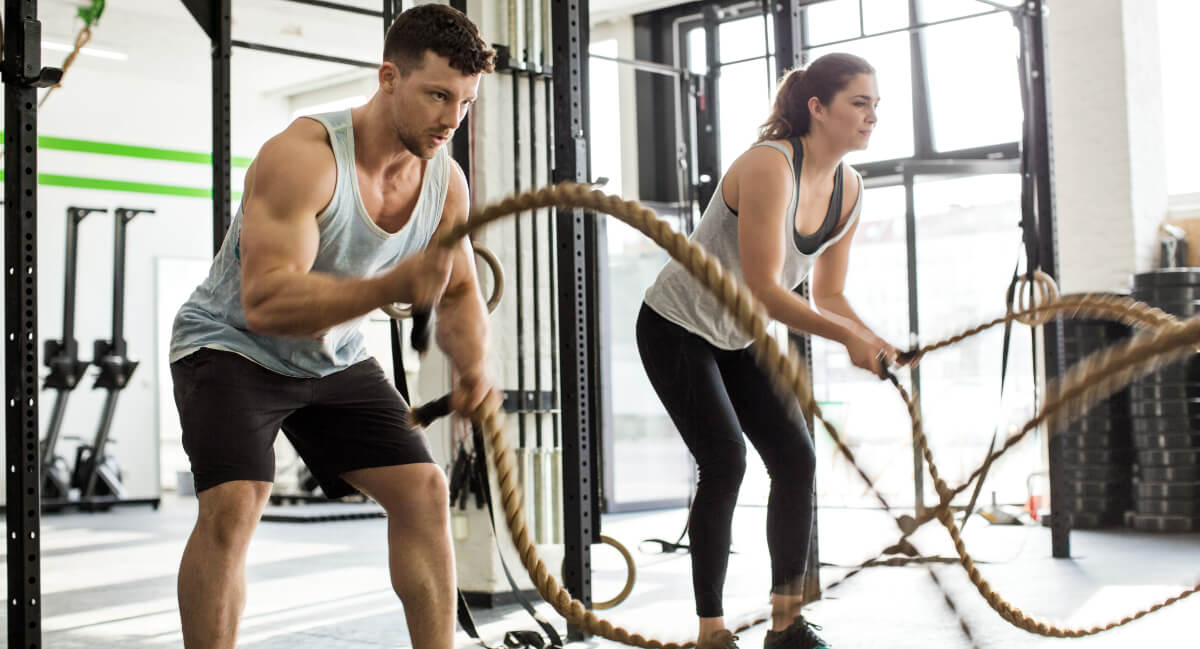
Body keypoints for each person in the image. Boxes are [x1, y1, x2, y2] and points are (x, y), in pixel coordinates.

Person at [167, 6, 495, 649]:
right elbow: (266, 301)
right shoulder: (303, 156)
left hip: (333, 356)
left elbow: (458, 290)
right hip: (233, 346)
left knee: (424, 491)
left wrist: (475, 367)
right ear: (388, 77)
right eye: (436, 94)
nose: (450, 118)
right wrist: (388, 287)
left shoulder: (445, 182)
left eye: (464, 101)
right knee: (235, 503)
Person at [637, 52, 904, 649]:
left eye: (876, 106)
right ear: (818, 107)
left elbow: (828, 292)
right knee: (726, 461)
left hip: (742, 334)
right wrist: (851, 339)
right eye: (859, 103)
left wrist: (876, 338)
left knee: (796, 460)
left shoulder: (850, 189)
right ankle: (712, 631)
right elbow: (765, 286)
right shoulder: (769, 166)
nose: (871, 117)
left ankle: (786, 627)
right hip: (677, 325)